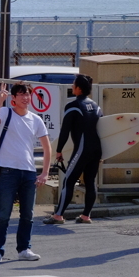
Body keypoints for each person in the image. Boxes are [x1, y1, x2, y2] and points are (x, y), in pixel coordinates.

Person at [0, 83, 52, 263]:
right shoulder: (6, 112)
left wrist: (44, 173)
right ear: (13, 98)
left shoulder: (35, 119)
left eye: (27, 94)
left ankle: (24, 249)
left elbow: (47, 148)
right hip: (8, 171)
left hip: (29, 171)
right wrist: (0, 100)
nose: (25, 97)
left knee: (28, 214)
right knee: (3, 213)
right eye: (21, 94)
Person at [45, 74, 103, 225]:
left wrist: (59, 151)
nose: (72, 86)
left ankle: (58, 216)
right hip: (97, 149)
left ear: (78, 88)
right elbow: (103, 129)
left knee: (69, 181)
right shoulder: (96, 106)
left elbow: (65, 131)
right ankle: (86, 216)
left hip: (82, 149)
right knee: (90, 182)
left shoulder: (72, 106)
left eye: (73, 84)